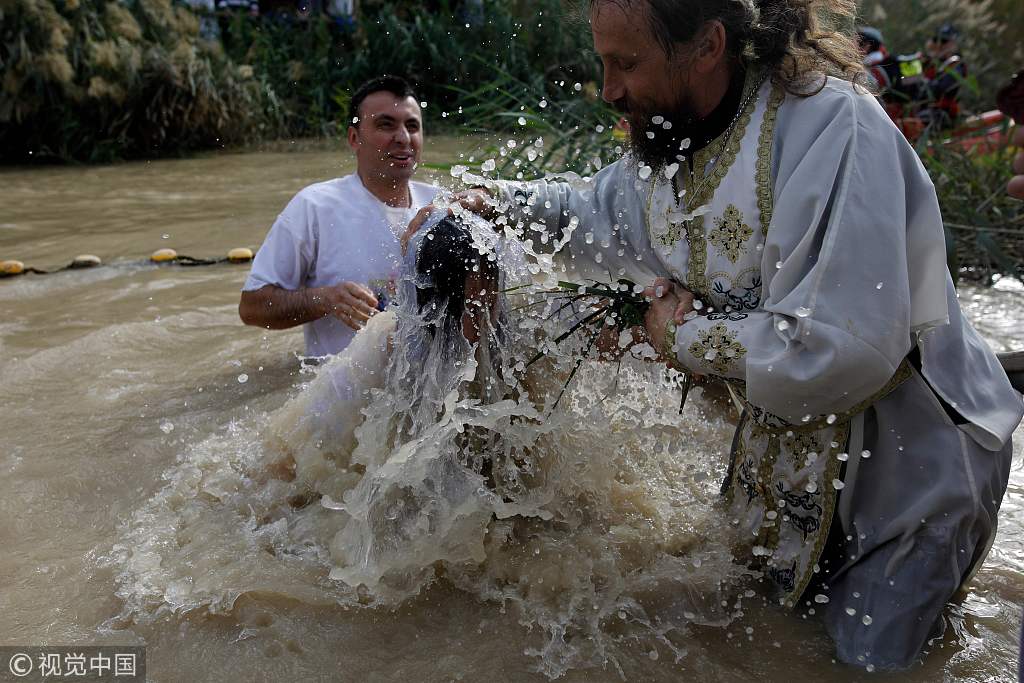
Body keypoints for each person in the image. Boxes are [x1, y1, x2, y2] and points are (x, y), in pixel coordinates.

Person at [417, 0, 1021, 671]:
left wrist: (680, 335)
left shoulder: (833, 129)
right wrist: (490, 200)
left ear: (705, 47)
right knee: (766, 646)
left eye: (627, 62)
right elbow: (586, 213)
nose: (609, 88)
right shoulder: (673, 145)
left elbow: (842, 347)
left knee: (868, 665)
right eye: (603, 62)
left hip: (912, 476)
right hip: (785, 466)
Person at [239, 75, 439, 357]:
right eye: (386, 125)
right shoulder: (315, 207)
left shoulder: (440, 207)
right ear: (354, 138)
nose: (403, 138)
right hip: (341, 394)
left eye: (412, 126)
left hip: (427, 390)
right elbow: (251, 308)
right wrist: (324, 299)